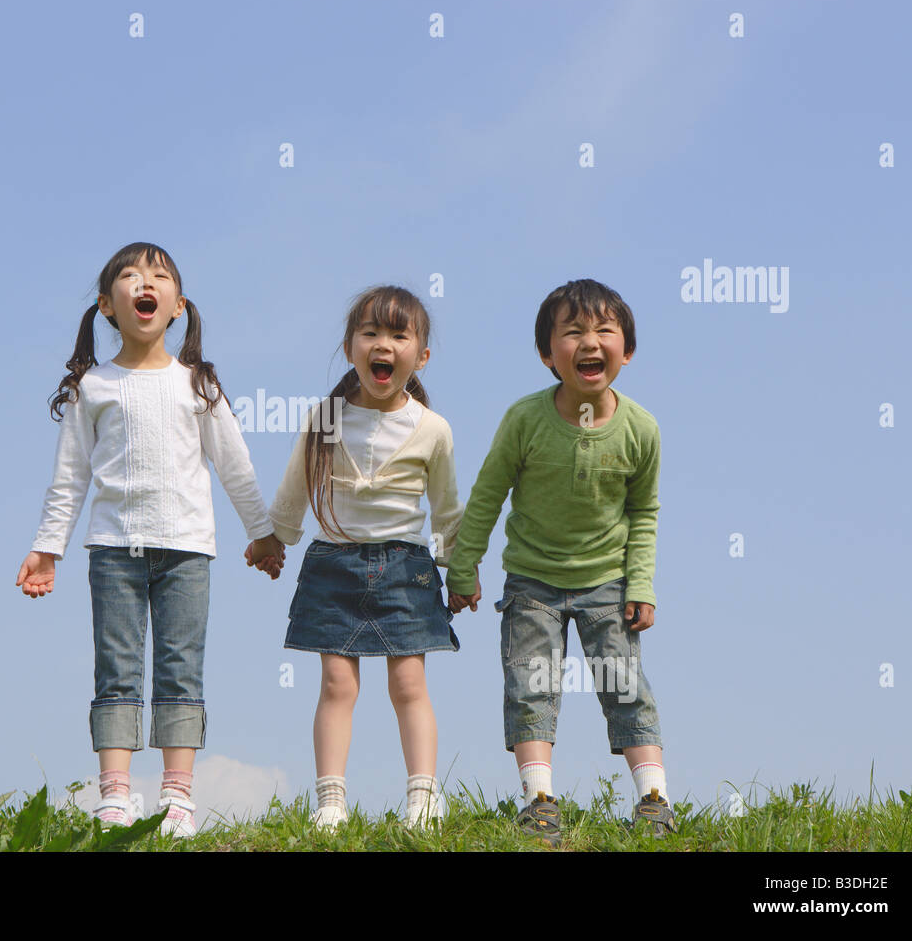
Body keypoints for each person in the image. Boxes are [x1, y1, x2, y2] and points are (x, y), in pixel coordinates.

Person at [17, 242, 282, 838]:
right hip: (114, 551)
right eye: (130, 276)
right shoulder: (94, 387)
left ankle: (177, 798)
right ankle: (115, 797)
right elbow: (70, 478)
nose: (145, 282)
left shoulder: (199, 384)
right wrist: (47, 547)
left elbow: (234, 465)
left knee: (180, 670)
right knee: (117, 669)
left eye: (159, 276)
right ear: (108, 307)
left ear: (177, 305)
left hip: (187, 551)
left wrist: (261, 534)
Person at [447, 278, 674, 845]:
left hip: (609, 584)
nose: (589, 341)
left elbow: (644, 511)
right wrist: (462, 566)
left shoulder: (642, 429)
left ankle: (653, 797)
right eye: (572, 332)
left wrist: (640, 585)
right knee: (531, 685)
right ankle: (539, 799)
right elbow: (487, 494)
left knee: (625, 684)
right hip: (532, 583)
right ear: (549, 355)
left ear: (627, 349)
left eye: (604, 330)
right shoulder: (525, 420)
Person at [254, 286, 463, 830]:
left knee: (409, 684)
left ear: (421, 356)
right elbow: (295, 487)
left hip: (407, 568)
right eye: (370, 333)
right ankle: (331, 801)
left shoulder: (433, 429)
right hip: (334, 563)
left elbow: (446, 510)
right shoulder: (324, 418)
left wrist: (460, 570)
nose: (383, 344)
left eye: (399, 335)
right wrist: (275, 538)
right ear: (350, 349)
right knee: (336, 685)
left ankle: (422, 797)